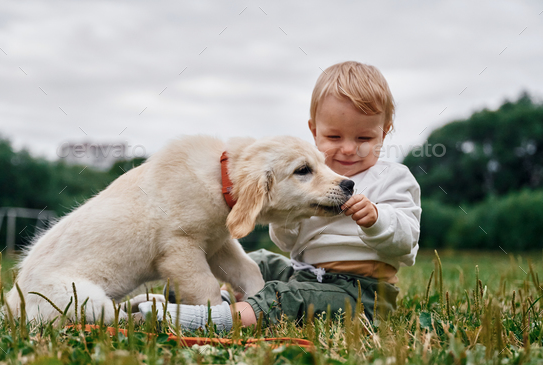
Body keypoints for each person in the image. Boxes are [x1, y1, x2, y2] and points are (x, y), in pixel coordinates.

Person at [140, 61, 421, 332]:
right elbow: (287, 243)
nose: (348, 149)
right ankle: (182, 299)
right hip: (303, 273)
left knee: (284, 296)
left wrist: (377, 220)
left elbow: (407, 241)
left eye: (363, 139)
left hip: (358, 294)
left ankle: (216, 320)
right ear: (314, 131)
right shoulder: (311, 176)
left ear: (384, 133)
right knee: (258, 261)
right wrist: (286, 215)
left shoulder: (393, 178)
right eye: (334, 137)